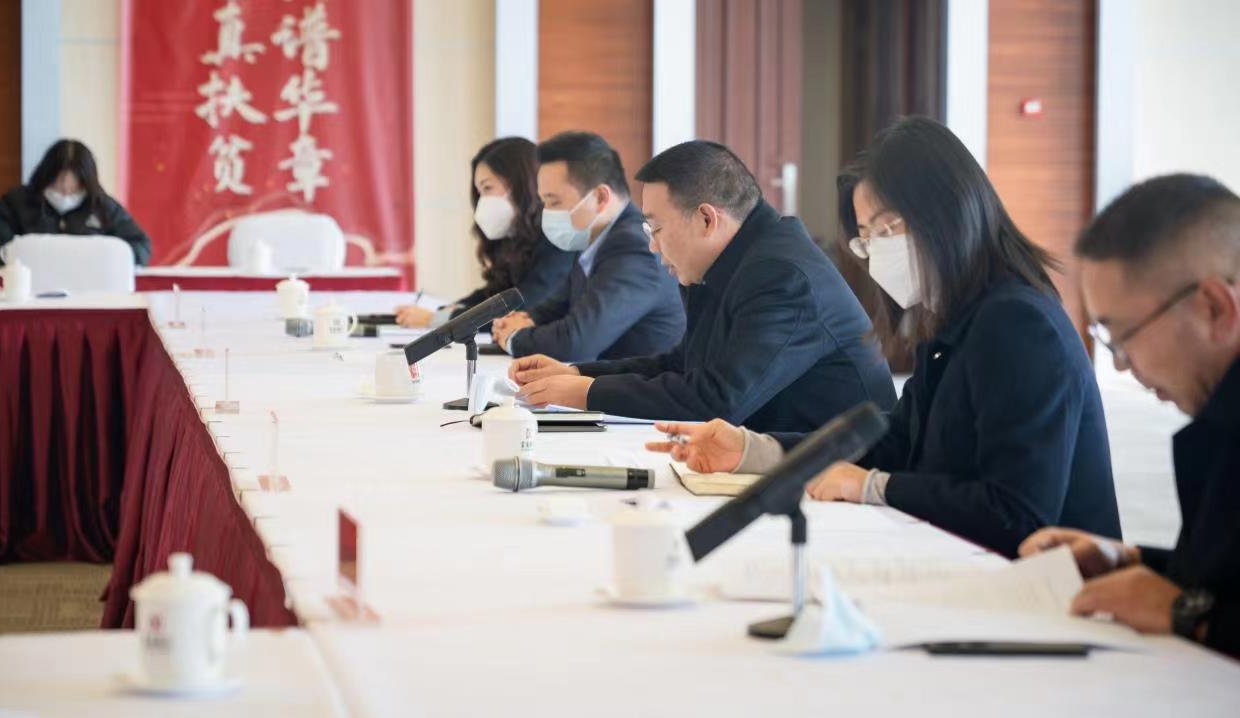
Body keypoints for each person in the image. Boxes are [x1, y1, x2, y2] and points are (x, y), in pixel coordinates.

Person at [648, 116, 1120, 559]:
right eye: (866, 238)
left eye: (885, 229)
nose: (875, 252)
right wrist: (754, 451)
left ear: (947, 209)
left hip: (1049, 588)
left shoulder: (1018, 324)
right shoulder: (958, 318)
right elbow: (898, 439)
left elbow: (1017, 514)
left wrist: (873, 487)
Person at [509, 140, 896, 432]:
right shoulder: (730, 258)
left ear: (707, 220)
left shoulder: (781, 275)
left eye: (656, 228)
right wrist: (578, 374)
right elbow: (684, 363)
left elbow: (718, 400)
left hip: (841, 470)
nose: (653, 245)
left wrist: (585, 394)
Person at [1020, 174, 1240, 658]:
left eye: (1124, 335)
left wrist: (1188, 614)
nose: (1122, 365)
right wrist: (1127, 560)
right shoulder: (1220, 418)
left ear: (1214, 308)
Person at [489, 131, 685, 362]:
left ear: (600, 197)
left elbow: (575, 342)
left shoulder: (635, 249)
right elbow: (557, 305)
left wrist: (513, 337)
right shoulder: (593, 237)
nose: (546, 213)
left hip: (637, 382)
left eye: (554, 202)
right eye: (544, 202)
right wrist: (526, 319)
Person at [394, 137, 575, 328]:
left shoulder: (559, 239)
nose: (482, 202)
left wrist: (438, 319)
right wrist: (446, 310)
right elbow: (496, 296)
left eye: (487, 188)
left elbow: (522, 309)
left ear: (521, 185)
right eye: (479, 193)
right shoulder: (518, 239)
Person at [0, 139, 151, 266]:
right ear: (45, 176)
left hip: (89, 290)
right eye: (58, 184)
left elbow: (141, 247)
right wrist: (17, 253)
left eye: (75, 187)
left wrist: (106, 255)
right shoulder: (16, 202)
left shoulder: (103, 207)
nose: (66, 192)